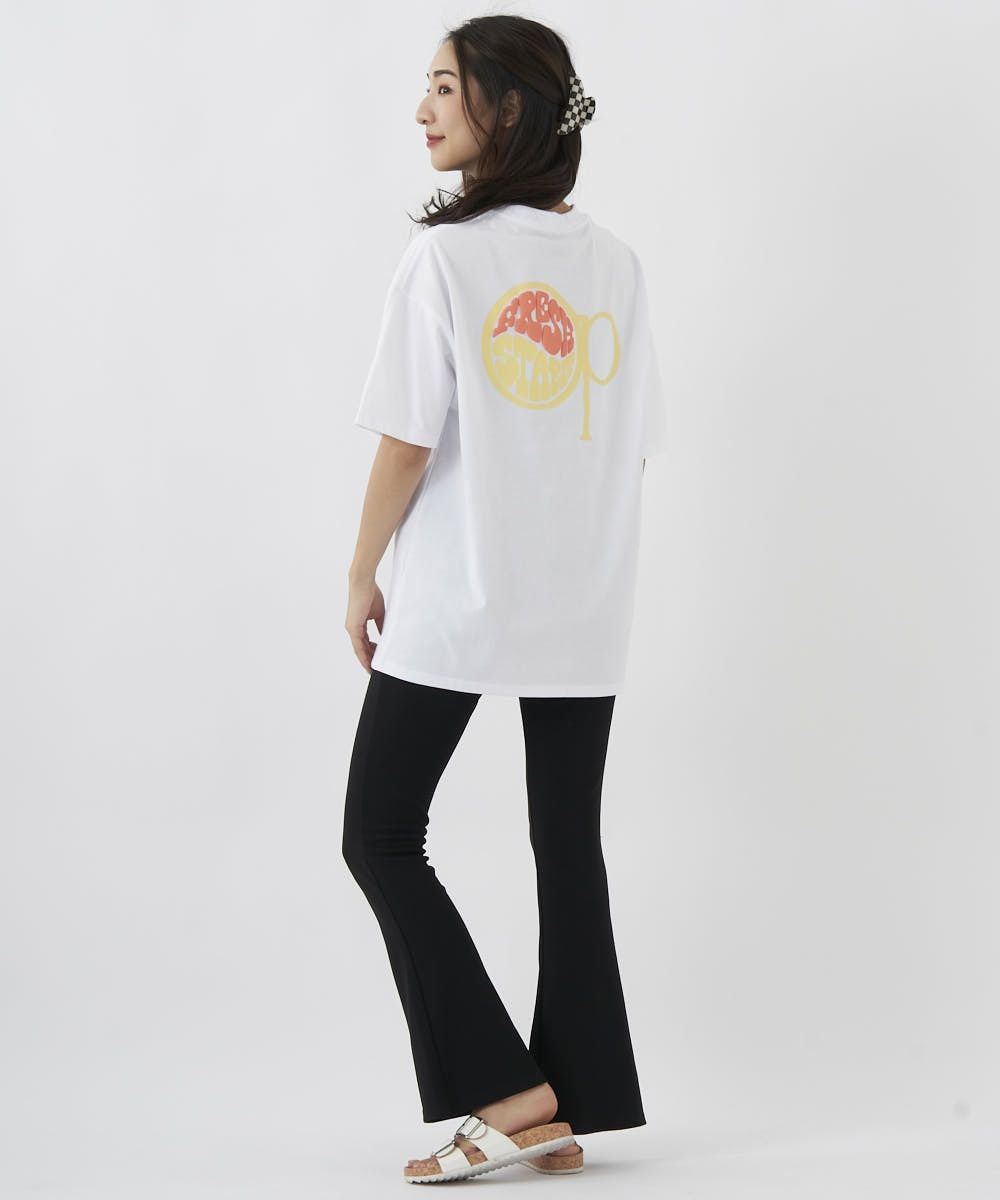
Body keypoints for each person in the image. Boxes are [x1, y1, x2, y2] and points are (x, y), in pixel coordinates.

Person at [342, 14, 667, 1182]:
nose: (422, 109)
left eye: (444, 87)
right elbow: (631, 444)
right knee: (566, 843)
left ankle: (508, 1090)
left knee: (379, 834)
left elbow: (405, 441)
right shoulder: (615, 265)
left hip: (460, 597)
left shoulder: (445, 260)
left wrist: (361, 569)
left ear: (509, 108)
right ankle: (575, 1095)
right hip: (585, 600)